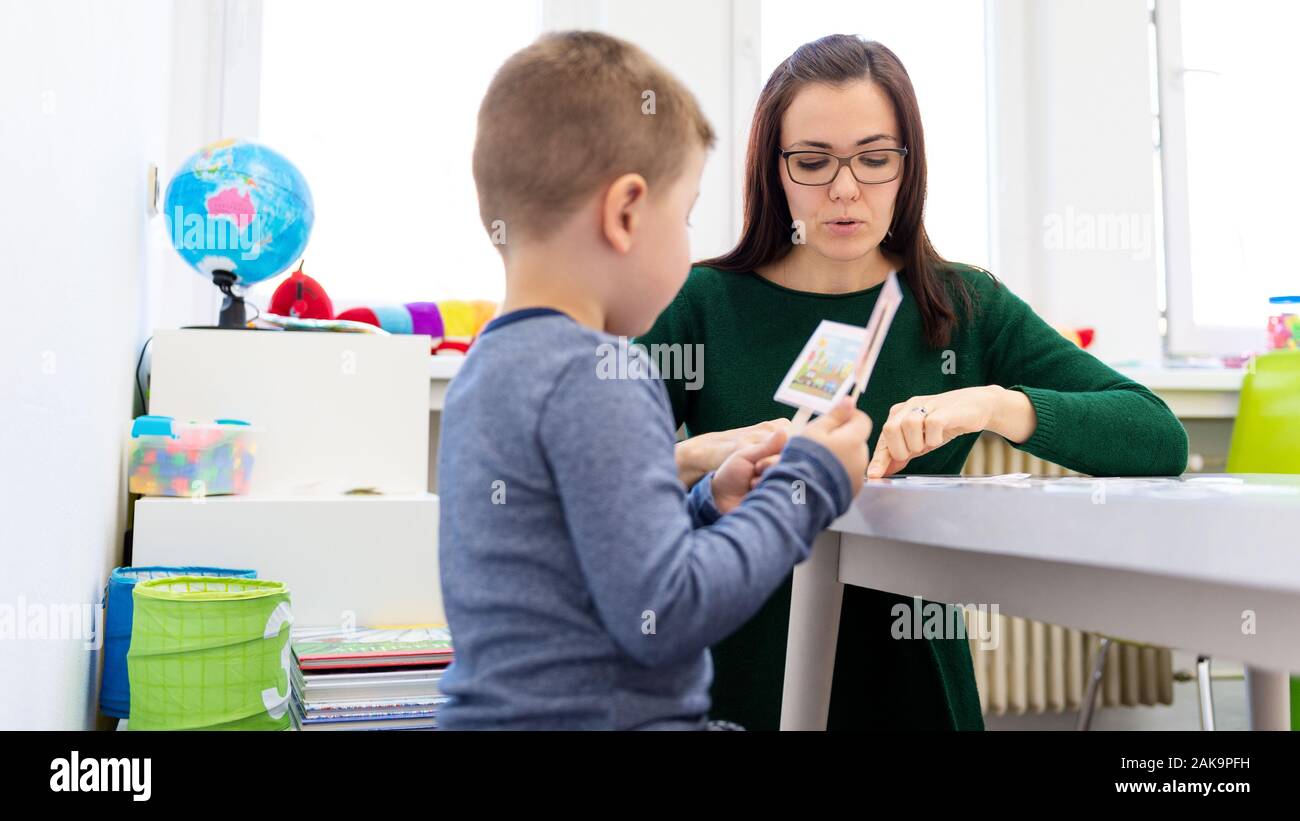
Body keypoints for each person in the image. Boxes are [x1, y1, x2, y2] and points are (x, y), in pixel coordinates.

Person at [638, 34, 1189, 730]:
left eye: (874, 159)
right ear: (773, 169)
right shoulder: (703, 303)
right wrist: (697, 457)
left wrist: (993, 403)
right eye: (813, 162)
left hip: (916, 685)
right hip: (739, 681)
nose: (845, 188)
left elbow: (1156, 436)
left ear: (909, 166)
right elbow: (593, 479)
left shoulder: (966, 305)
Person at [435, 30, 873, 730]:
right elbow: (663, 614)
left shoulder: (485, 369)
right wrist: (809, 480)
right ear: (627, 213)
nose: (690, 242)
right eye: (688, 214)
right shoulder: (602, 374)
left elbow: (594, 571)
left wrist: (704, 505)